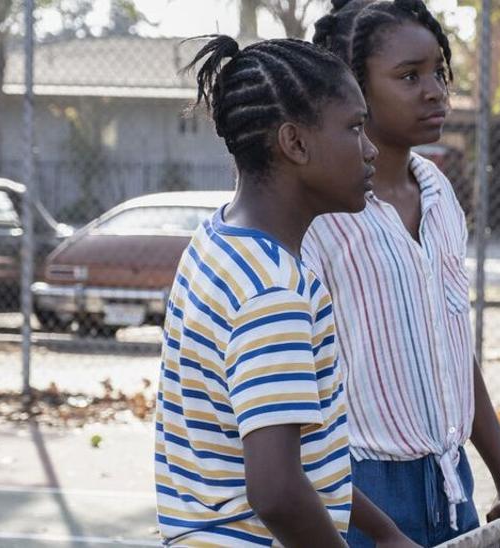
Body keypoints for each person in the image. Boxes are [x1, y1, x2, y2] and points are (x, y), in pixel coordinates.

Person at [153, 35, 415, 547]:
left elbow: (307, 459)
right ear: (295, 143)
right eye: (355, 128)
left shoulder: (217, 243)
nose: (370, 149)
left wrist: (384, 533)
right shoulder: (274, 292)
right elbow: (275, 490)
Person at [306, 1, 500, 547]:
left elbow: (454, 350)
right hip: (355, 493)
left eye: (438, 71)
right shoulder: (321, 215)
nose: (434, 89)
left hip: (448, 480)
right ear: (354, 89)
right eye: (408, 76)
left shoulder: (438, 194)